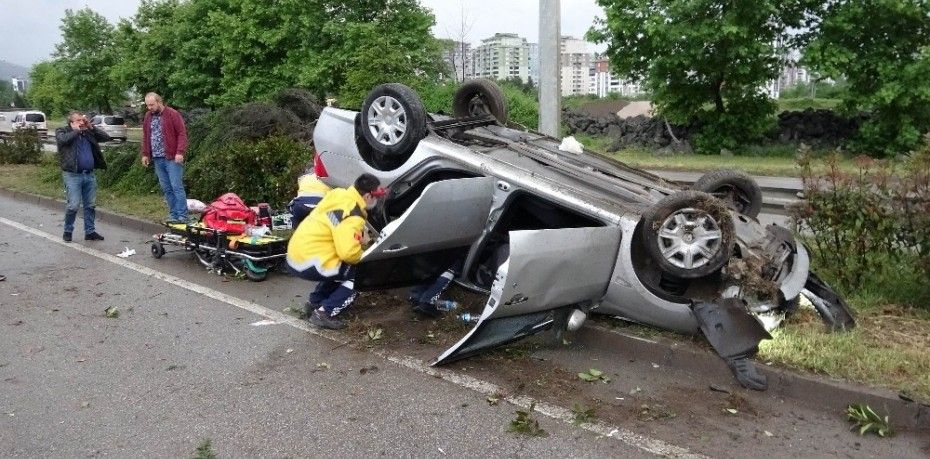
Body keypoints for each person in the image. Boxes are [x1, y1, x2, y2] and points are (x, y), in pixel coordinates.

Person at [286, 173, 386, 330]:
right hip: (311, 261)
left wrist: (356, 235)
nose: (377, 200)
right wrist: (367, 248)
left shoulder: (339, 194)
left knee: (339, 269)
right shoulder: (353, 215)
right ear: (367, 196)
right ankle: (324, 313)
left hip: (296, 254)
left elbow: (334, 222)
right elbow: (349, 254)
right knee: (360, 274)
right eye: (376, 197)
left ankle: (314, 303)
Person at [56, 111, 110, 242]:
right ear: (71, 122)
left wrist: (91, 127)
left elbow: (106, 137)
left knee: (90, 205)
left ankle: (90, 232)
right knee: (73, 205)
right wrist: (76, 131)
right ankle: (68, 230)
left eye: (83, 120)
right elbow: (63, 140)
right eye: (79, 120)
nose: (82, 122)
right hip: (72, 175)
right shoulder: (62, 131)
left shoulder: (87, 132)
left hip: (89, 175)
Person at [140, 92, 189, 222]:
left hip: (172, 157)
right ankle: (173, 214)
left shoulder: (172, 114)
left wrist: (180, 152)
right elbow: (146, 136)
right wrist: (145, 154)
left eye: (151, 105)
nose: (149, 108)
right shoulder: (148, 116)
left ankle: (183, 216)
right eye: (147, 105)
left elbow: (182, 134)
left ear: (159, 102)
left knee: (176, 186)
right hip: (157, 158)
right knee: (166, 188)